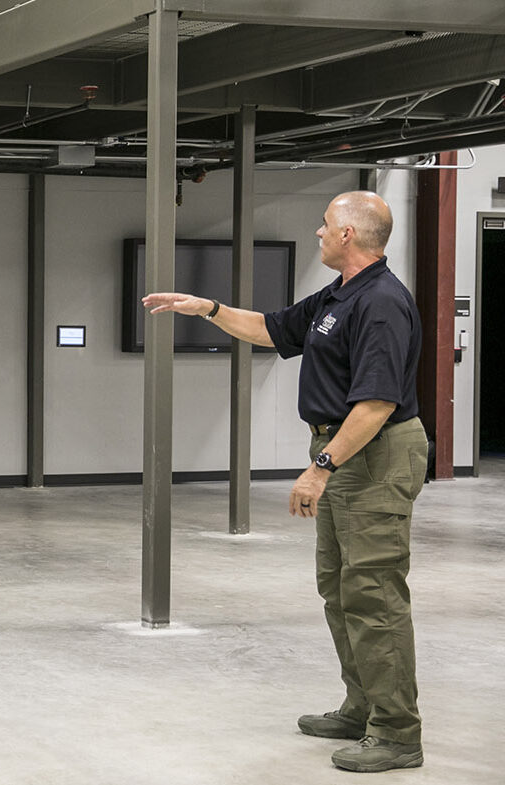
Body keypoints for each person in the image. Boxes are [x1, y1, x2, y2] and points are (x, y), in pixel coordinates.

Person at [142, 191, 428, 774]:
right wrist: (209, 309)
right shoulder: (339, 295)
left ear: (348, 234)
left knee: (373, 595)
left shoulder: (382, 303)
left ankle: (398, 732)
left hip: (372, 454)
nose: (318, 232)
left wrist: (320, 468)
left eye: (325, 225)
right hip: (342, 449)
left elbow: (376, 402)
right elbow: (275, 329)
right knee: (340, 590)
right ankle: (362, 707)